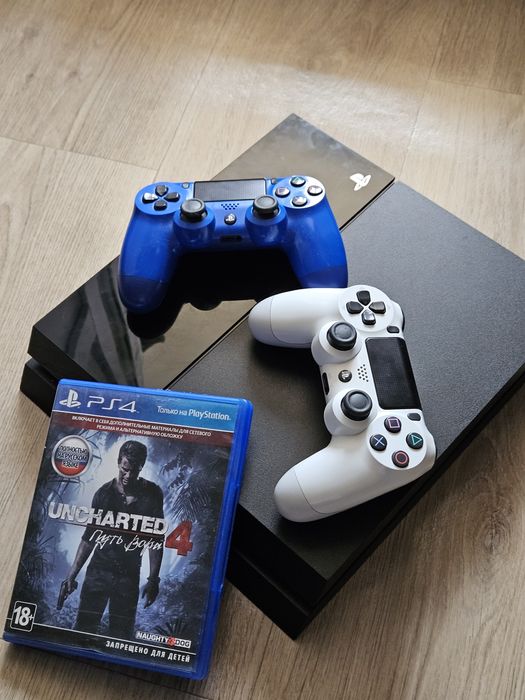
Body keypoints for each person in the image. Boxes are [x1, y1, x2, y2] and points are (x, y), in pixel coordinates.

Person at [62, 440, 164, 638]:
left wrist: (153, 580)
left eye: (134, 471)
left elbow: (156, 539)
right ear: (119, 462)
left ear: (141, 466)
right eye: (124, 469)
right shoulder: (103, 494)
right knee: (83, 630)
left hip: (129, 576)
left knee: (121, 636)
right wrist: (71, 576)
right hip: (98, 572)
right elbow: (89, 538)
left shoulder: (153, 494)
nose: (128, 476)